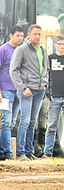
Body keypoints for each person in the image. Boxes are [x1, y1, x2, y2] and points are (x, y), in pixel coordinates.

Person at [10, 24, 48, 161]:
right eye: (35, 34)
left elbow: (46, 68)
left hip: (39, 90)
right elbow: (13, 70)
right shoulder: (22, 50)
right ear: (29, 35)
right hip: (27, 91)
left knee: (33, 122)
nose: (37, 37)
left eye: (39, 34)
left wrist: (44, 84)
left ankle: (28, 151)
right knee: (24, 121)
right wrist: (22, 88)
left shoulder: (43, 50)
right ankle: (20, 153)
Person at [0, 25, 24, 160]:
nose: (20, 38)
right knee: (6, 121)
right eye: (17, 36)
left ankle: (4, 151)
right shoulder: (3, 50)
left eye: (21, 36)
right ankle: (8, 152)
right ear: (11, 35)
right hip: (6, 91)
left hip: (18, 91)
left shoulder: (21, 51)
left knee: (12, 121)